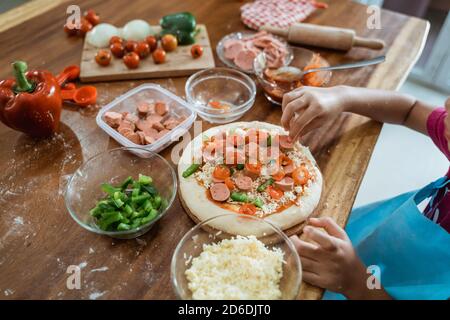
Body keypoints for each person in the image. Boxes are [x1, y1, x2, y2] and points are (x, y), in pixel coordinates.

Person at [283, 85, 450, 299]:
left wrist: (354, 281)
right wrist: (342, 96)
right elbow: (410, 109)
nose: (447, 104)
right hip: (372, 255)